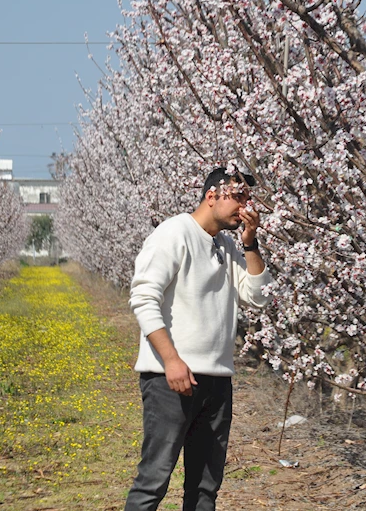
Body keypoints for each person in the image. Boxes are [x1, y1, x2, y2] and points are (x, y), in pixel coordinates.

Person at [124, 167, 274, 511]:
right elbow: (143, 298)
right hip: (170, 379)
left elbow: (259, 297)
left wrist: (250, 244)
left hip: (217, 380)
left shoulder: (225, 245)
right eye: (238, 198)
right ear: (212, 196)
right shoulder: (174, 233)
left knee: (206, 487)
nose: (245, 207)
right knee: (154, 479)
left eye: (247, 199)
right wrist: (171, 360)